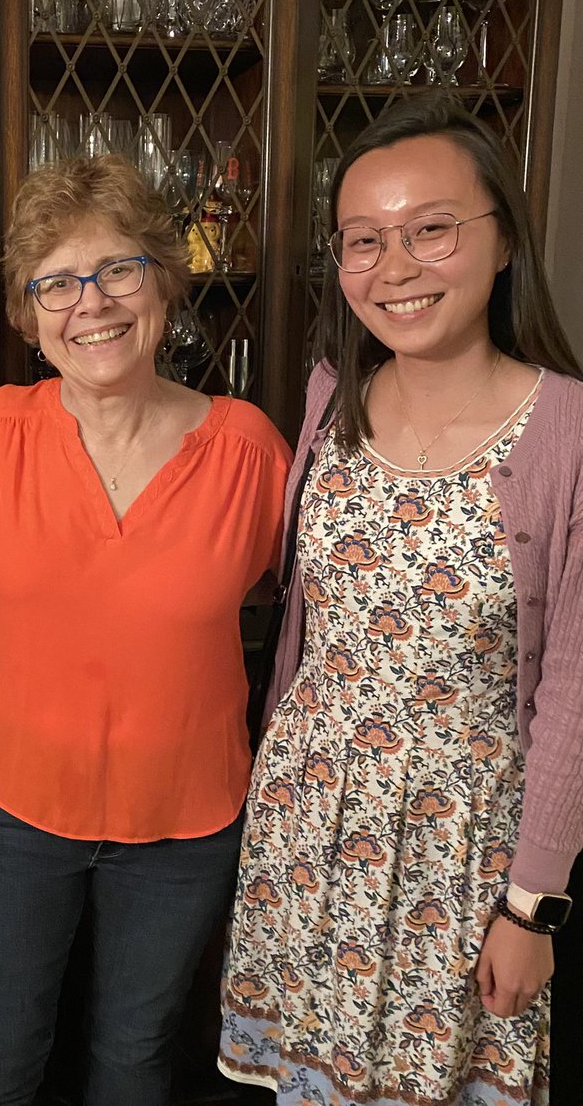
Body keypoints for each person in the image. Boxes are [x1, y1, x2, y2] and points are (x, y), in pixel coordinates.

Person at [219, 95, 583, 1106]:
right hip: (307, 829)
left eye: (431, 229)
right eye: (363, 240)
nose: (395, 267)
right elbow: (304, 625)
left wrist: (532, 907)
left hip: (461, 857)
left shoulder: (570, 432)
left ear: (503, 237)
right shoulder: (331, 396)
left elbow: (577, 696)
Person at [0, 154, 292, 1106]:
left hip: (186, 821)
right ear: (27, 314)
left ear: (163, 280)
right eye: (56, 282)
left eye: (118, 269)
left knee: (136, 1057)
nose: (91, 303)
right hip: (11, 808)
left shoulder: (251, 450)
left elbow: (281, 593)